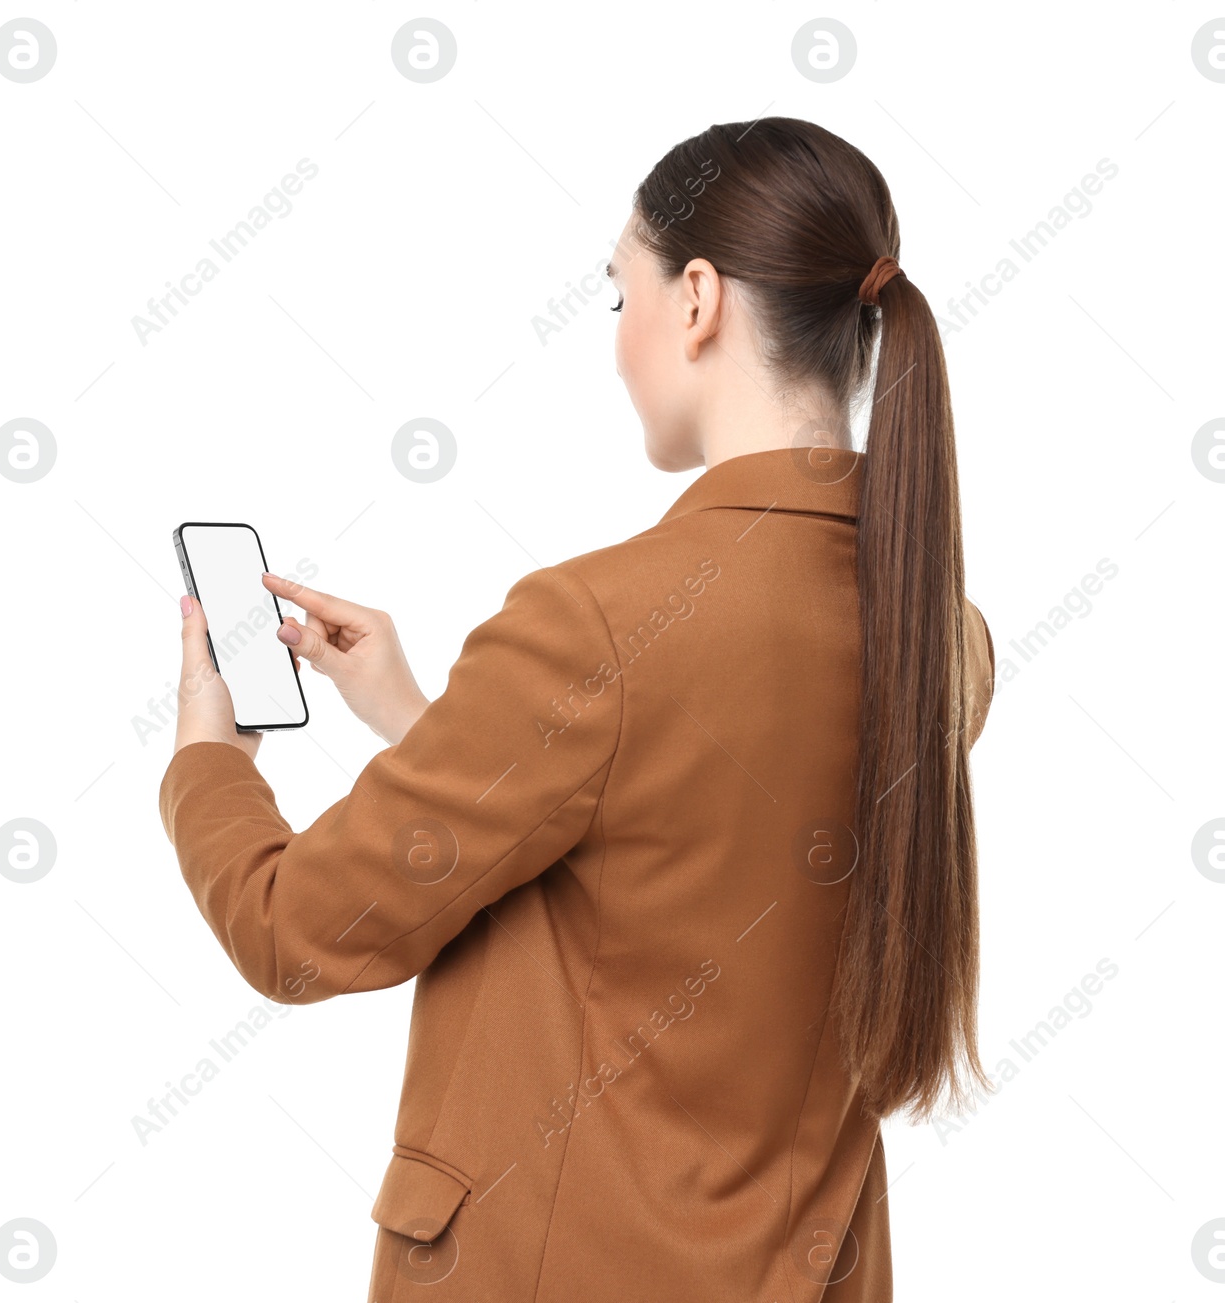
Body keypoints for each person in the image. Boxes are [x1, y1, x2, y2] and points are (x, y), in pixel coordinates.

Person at [160, 115, 995, 1302]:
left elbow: (294, 932)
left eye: (621, 298)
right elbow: (672, 846)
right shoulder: (940, 643)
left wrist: (208, 755)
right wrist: (426, 720)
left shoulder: (597, 626)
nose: (617, 344)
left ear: (696, 299)